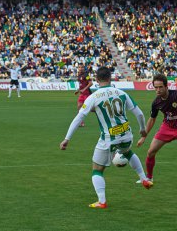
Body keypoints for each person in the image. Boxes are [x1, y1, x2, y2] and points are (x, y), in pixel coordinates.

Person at [60, 67, 153, 209]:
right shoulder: (121, 93)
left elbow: (79, 118)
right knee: (128, 152)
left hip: (109, 138)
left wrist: (67, 138)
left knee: (97, 170)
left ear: (97, 80)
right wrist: (142, 129)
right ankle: (144, 179)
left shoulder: (94, 97)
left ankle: (102, 201)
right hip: (127, 134)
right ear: (110, 78)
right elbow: (139, 113)